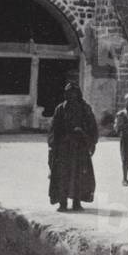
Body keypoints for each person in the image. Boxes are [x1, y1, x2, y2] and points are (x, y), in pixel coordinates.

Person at [48, 82, 98, 212]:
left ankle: (77, 202)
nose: (71, 95)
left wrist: (90, 140)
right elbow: (54, 129)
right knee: (63, 175)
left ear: (78, 94)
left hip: (80, 147)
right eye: (69, 93)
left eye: (73, 93)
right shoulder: (60, 109)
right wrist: (52, 146)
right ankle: (63, 203)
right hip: (64, 148)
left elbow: (92, 126)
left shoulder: (85, 108)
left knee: (79, 175)